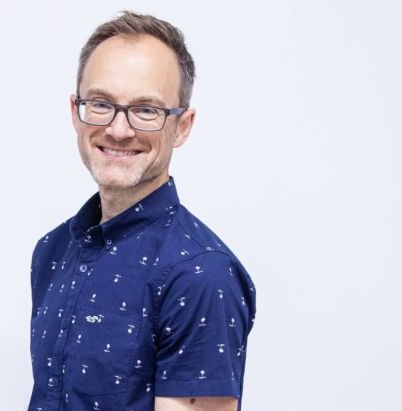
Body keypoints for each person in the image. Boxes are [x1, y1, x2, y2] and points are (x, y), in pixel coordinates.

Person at [28, 11, 256, 411]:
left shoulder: (202, 275)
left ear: (182, 126)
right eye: (101, 103)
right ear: (74, 111)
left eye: (146, 110)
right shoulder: (51, 251)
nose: (119, 130)